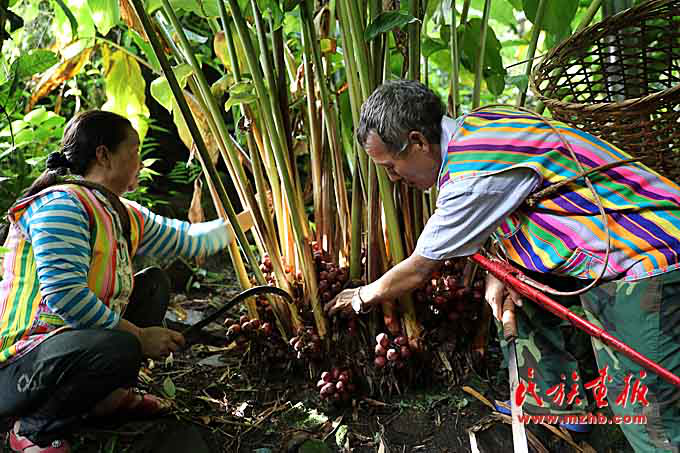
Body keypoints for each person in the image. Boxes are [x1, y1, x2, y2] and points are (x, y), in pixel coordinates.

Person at [325, 80, 680, 452]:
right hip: (617, 245)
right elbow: (516, 202)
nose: (393, 179)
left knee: (644, 406)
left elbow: (418, 268)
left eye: (391, 166)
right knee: (517, 303)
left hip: (648, 255)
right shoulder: (479, 125)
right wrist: (502, 267)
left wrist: (361, 298)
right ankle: (557, 417)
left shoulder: (469, 176)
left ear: (417, 142)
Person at [0, 110, 233, 453]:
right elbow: (65, 295)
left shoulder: (119, 211)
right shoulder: (62, 204)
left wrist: (257, 214)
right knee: (122, 344)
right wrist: (139, 335)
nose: (140, 161)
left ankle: (105, 399)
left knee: (152, 283)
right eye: (134, 150)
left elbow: (189, 239)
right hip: (21, 368)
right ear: (103, 155)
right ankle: (35, 429)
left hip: (70, 350)